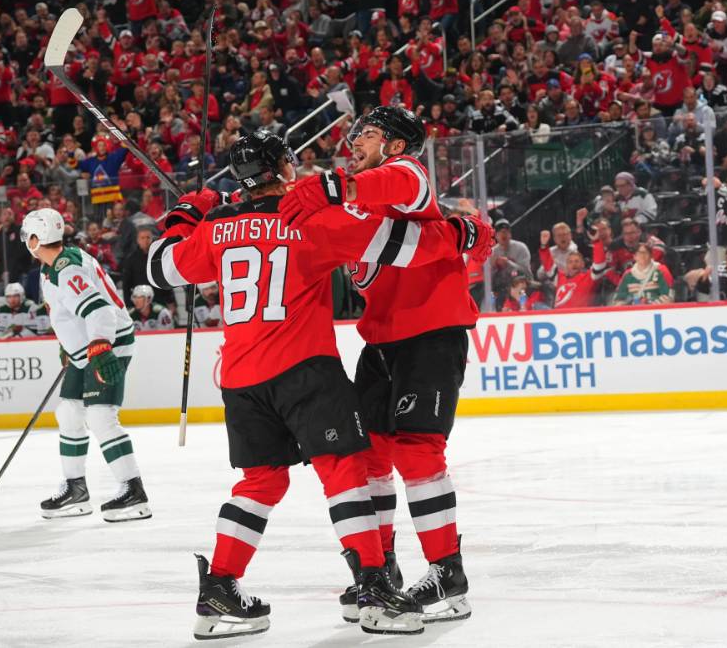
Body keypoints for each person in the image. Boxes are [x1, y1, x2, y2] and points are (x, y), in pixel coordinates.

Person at [147, 130, 490, 638]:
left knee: (260, 482)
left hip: (241, 378)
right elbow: (405, 248)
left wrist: (186, 215)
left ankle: (219, 588)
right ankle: (374, 587)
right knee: (346, 468)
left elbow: (160, 268)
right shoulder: (309, 219)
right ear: (283, 169)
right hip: (304, 366)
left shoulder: (214, 230)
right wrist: (465, 234)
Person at [278, 107, 479, 624]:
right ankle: (381, 571)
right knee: (369, 458)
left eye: (365, 135)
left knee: (417, 450)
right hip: (381, 344)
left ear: (393, 145)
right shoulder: (354, 207)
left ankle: (447, 574)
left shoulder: (407, 174)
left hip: (432, 335)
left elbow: (397, 183)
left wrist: (330, 185)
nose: (354, 143)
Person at [21, 207, 151, 523]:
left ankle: (134, 491)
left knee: (100, 415)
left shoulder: (68, 271)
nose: (26, 241)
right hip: (87, 349)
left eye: (28, 235)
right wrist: (69, 346)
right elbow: (67, 313)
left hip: (108, 343)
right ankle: (75, 489)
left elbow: (101, 313)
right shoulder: (51, 265)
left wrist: (99, 346)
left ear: (38, 239)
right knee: (68, 411)